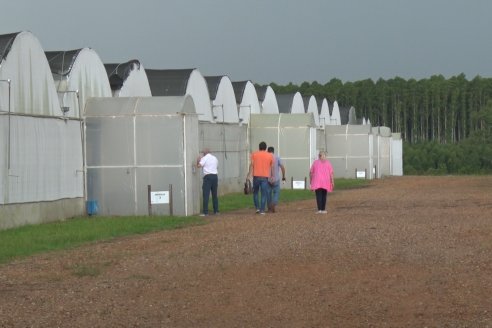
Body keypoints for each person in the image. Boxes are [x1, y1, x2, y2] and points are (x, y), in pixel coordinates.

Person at [247, 141, 273, 215]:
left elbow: (251, 165)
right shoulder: (269, 155)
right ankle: (262, 210)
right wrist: (272, 176)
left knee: (255, 193)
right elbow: (272, 166)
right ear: (265, 148)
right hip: (265, 177)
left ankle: (257, 208)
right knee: (263, 194)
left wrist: (249, 175)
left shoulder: (254, 154)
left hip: (256, 176)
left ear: (259, 147)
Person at [196, 148, 219, 216]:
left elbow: (199, 166)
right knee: (214, 194)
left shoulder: (204, 158)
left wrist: (198, 161)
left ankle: (205, 212)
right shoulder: (215, 158)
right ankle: (216, 211)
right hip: (215, 176)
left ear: (204, 153)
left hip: (208, 177)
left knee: (206, 194)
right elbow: (216, 167)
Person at [267, 146, 286, 213]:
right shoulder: (277, 157)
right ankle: (273, 203)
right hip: (276, 178)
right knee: (276, 192)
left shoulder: (266, 157)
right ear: (273, 151)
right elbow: (282, 167)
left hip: (268, 179)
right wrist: (283, 176)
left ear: (268, 151)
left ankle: (269, 208)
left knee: (268, 193)